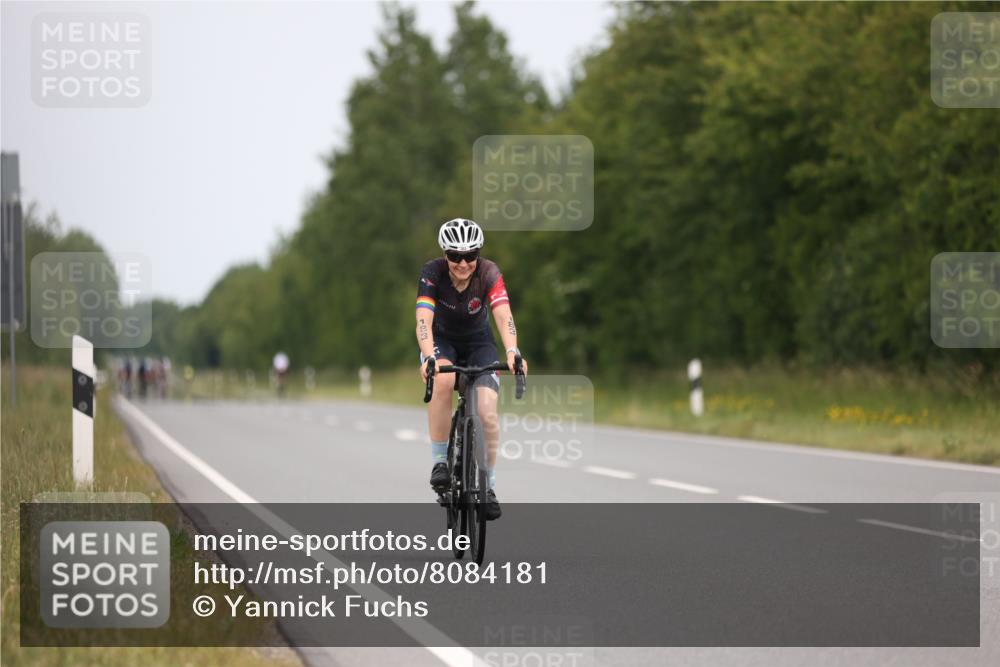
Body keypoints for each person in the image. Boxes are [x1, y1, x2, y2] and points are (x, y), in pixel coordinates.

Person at [416, 218, 527, 521]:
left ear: (478, 254)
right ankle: (440, 463)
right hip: (442, 343)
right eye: (454, 256)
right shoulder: (432, 273)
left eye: (470, 255)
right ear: (445, 255)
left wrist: (513, 351)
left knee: (488, 412)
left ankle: (488, 487)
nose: (463, 263)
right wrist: (428, 357)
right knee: (444, 378)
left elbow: (504, 316)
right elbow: (423, 321)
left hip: (480, 344)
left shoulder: (489, 272)